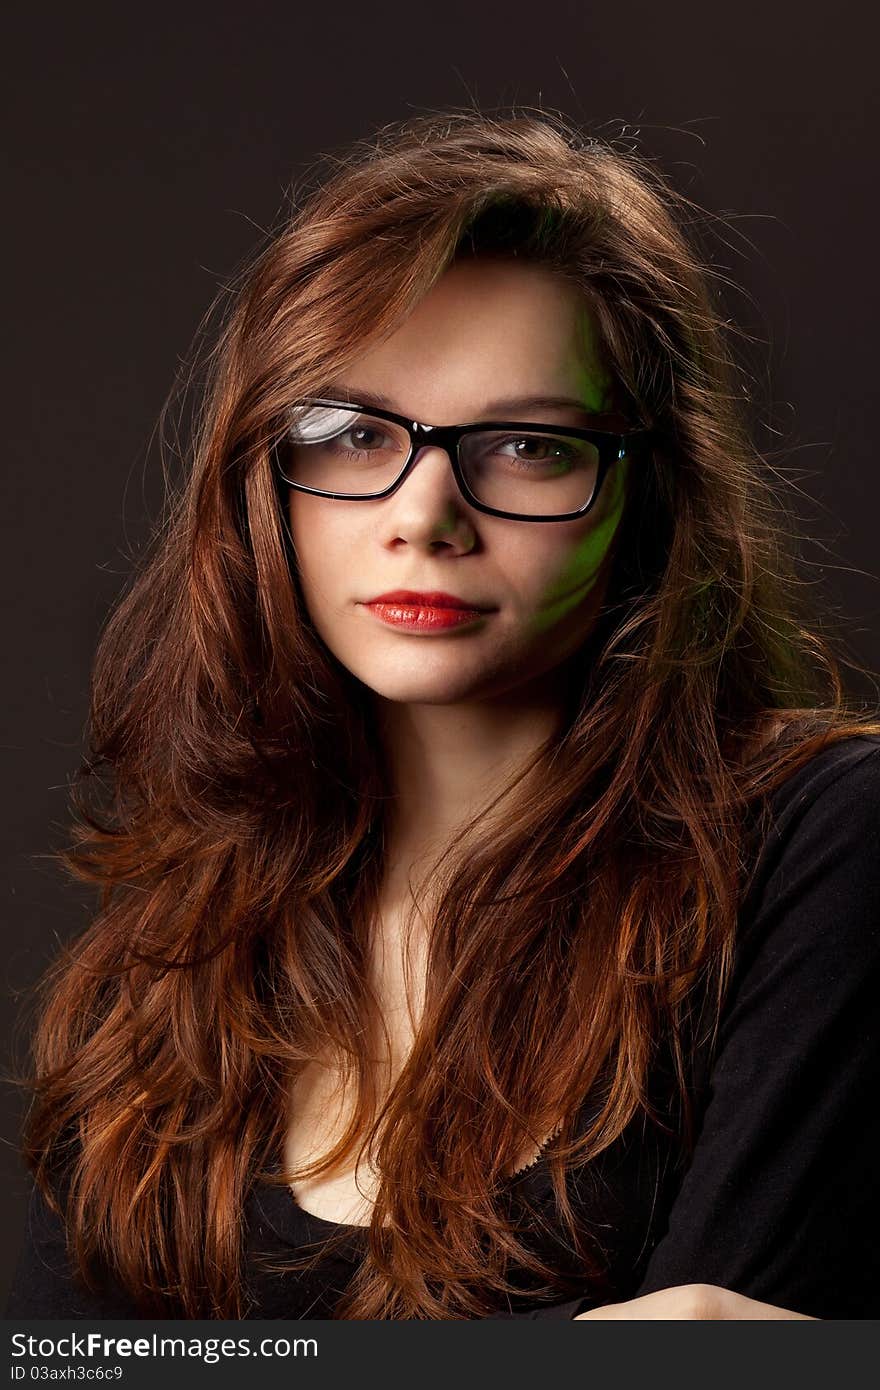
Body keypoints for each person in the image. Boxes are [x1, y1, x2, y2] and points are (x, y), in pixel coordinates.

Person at [6, 107, 880, 1323]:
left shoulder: (823, 842)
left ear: (649, 496)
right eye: (351, 432)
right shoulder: (166, 964)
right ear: (264, 477)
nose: (425, 513)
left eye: (527, 444)